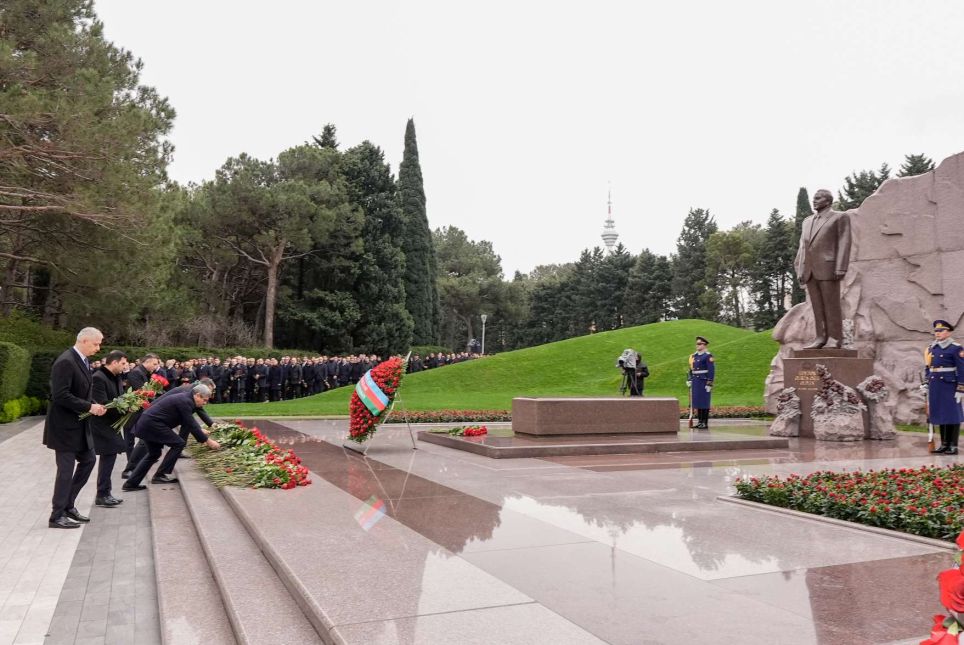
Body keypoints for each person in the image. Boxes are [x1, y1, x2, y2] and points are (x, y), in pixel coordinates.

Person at [43, 327, 107, 529]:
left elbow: (81, 391)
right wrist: (89, 407)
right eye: (96, 344)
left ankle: (68, 505)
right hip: (64, 428)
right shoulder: (66, 361)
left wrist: (95, 404)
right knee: (65, 471)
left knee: (89, 460)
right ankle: (56, 516)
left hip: (78, 426)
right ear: (84, 340)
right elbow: (60, 395)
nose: (98, 348)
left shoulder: (82, 360)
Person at [123, 383, 220, 490]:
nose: (205, 403)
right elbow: (190, 423)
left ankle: (131, 484)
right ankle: (160, 474)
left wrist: (201, 432)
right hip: (152, 425)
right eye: (204, 400)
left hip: (149, 424)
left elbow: (188, 422)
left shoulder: (187, 399)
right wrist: (208, 441)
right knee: (179, 444)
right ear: (197, 395)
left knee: (154, 454)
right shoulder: (186, 401)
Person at [794, 188, 852, 349]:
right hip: (810, 270)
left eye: (818, 198)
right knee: (817, 306)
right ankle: (821, 337)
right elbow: (803, 247)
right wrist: (801, 269)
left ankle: (835, 338)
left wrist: (841, 267)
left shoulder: (839, 217)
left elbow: (844, 242)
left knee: (831, 305)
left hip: (828, 267)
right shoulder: (807, 221)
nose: (814, 201)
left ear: (828, 201)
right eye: (814, 198)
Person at [90, 350, 129, 507]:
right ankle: (102, 494)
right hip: (101, 423)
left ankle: (105, 493)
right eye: (123, 363)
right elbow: (102, 403)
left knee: (110, 456)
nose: (125, 366)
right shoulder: (98, 378)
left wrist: (129, 403)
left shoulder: (116, 376)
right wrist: (125, 407)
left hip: (112, 422)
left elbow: (120, 397)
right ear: (114, 362)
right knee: (109, 455)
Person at [924, 320, 964, 455]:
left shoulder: (956, 348)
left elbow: (962, 369)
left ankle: (953, 445)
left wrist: (961, 388)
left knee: (952, 415)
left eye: (941, 331)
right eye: (936, 331)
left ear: (948, 332)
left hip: (949, 386)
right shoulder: (932, 348)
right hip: (936, 385)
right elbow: (928, 367)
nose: (938, 333)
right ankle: (944, 444)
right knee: (941, 414)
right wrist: (926, 382)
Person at [688, 336, 715, 429]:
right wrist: (689, 379)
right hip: (696, 381)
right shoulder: (694, 356)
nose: (697, 345)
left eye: (699, 344)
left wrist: (709, 383)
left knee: (704, 401)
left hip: (703, 381)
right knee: (698, 401)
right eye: (697, 344)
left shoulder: (708, 356)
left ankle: (704, 422)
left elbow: (711, 370)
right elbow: (691, 369)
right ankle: (700, 422)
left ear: (704, 345)